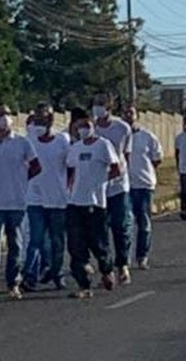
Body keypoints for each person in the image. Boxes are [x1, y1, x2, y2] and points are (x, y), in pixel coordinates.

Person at [0, 105, 41, 302]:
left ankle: (13, 282)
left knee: (16, 244)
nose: (4, 118)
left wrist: (22, 180)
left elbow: (36, 166)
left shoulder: (22, 142)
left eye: (7, 114)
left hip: (16, 202)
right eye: (0, 114)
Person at [65, 112, 120, 298]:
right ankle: (84, 285)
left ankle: (107, 270)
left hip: (96, 203)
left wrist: (102, 183)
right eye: (80, 126)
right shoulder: (75, 148)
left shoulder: (103, 145)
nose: (83, 129)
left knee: (98, 242)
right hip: (75, 202)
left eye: (86, 125)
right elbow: (71, 171)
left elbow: (116, 168)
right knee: (75, 244)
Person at [24, 104, 70, 291]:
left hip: (57, 199)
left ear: (51, 120)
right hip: (34, 198)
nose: (39, 123)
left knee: (56, 240)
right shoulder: (29, 141)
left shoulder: (62, 141)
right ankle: (30, 276)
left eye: (43, 119)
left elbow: (71, 166)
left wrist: (69, 188)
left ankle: (57, 274)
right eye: (37, 119)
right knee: (35, 239)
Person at [93, 95, 133, 286]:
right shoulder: (91, 129)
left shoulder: (122, 128)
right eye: (96, 105)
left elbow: (126, 155)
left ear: (109, 108)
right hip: (97, 187)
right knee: (100, 230)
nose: (98, 109)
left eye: (101, 105)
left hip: (118, 185)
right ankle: (106, 270)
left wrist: (124, 178)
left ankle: (122, 264)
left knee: (120, 226)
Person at [124, 106, 162, 270]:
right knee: (126, 223)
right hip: (125, 185)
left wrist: (146, 171)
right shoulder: (118, 137)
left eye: (131, 113)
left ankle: (142, 256)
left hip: (144, 184)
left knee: (144, 222)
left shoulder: (147, 137)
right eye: (125, 113)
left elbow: (157, 158)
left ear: (137, 116)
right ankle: (124, 259)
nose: (128, 116)